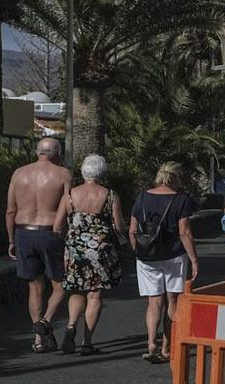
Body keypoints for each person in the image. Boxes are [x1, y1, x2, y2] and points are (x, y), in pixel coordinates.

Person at [5, 136, 71, 352]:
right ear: (58, 153)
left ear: (38, 152)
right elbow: (69, 207)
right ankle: (45, 321)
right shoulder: (63, 174)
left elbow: (10, 210)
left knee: (34, 287)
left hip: (24, 232)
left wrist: (11, 239)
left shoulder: (19, 174)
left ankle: (38, 339)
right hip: (51, 232)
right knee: (60, 285)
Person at [54, 154, 124, 356]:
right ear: (103, 172)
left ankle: (70, 325)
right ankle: (87, 342)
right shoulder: (110, 195)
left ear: (84, 172)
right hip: (100, 251)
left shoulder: (70, 195)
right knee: (95, 293)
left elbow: (57, 226)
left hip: (75, 251)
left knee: (76, 290)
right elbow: (119, 226)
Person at [130, 162, 199, 364]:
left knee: (154, 302)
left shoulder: (142, 197)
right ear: (176, 178)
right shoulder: (181, 200)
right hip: (174, 255)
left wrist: (138, 250)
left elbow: (132, 229)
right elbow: (184, 232)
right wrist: (194, 259)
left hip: (147, 256)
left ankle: (151, 341)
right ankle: (166, 347)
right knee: (173, 301)